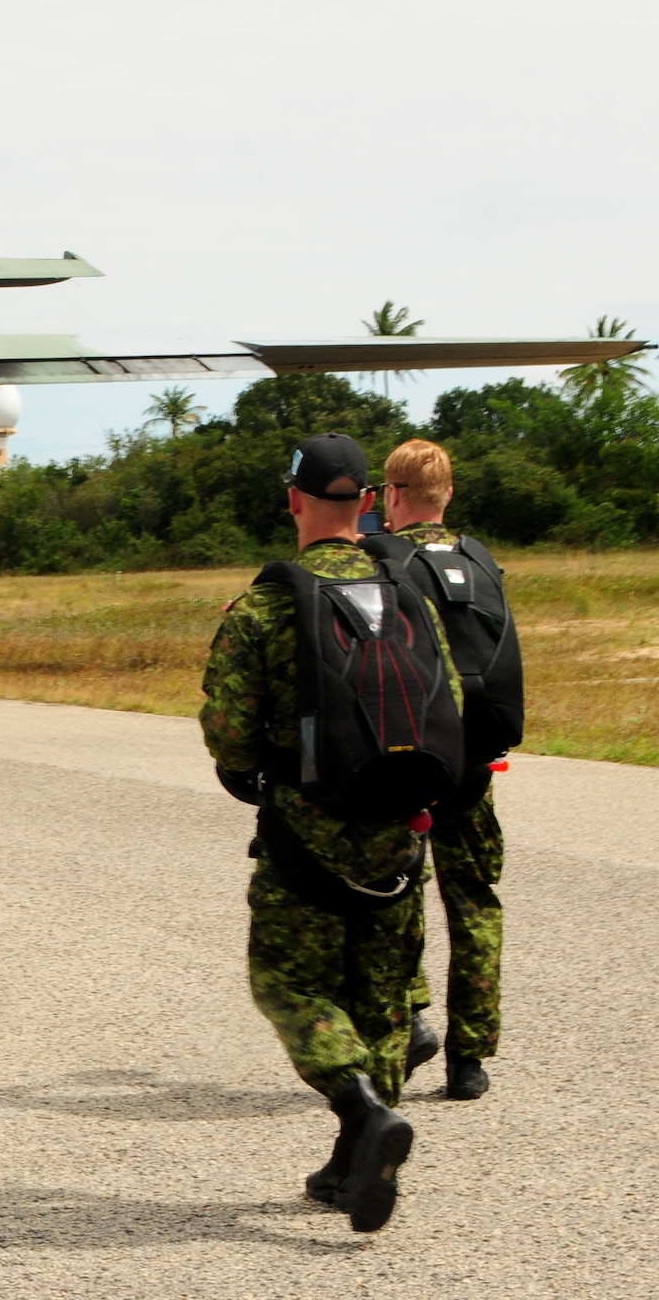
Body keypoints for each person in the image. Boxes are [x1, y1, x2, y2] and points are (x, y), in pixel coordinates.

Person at [200, 432, 462, 1232]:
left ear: (296, 500)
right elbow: (447, 692)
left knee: (287, 985)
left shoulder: (269, 604)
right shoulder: (408, 589)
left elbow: (228, 730)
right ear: (369, 505)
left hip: (305, 835)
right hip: (398, 827)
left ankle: (359, 1105)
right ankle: (355, 1160)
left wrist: (249, 774)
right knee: (380, 998)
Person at [374, 438, 509, 1101]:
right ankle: (471, 1060)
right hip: (478, 764)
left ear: (392, 496)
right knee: (475, 902)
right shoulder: (481, 559)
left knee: (398, 893)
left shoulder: (388, 560)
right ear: (448, 492)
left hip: (414, 759)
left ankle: (413, 1017)